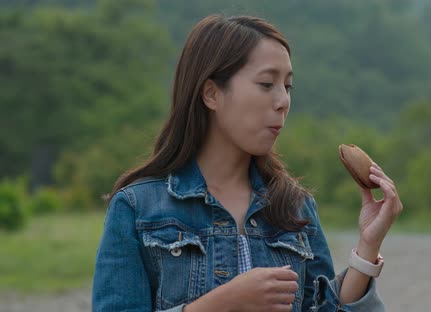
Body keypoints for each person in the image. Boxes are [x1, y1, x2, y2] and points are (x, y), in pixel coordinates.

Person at [92, 14, 403, 312]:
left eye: (288, 86)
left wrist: (367, 246)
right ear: (211, 94)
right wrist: (220, 304)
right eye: (267, 84)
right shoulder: (137, 208)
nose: (283, 101)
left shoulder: (296, 207)